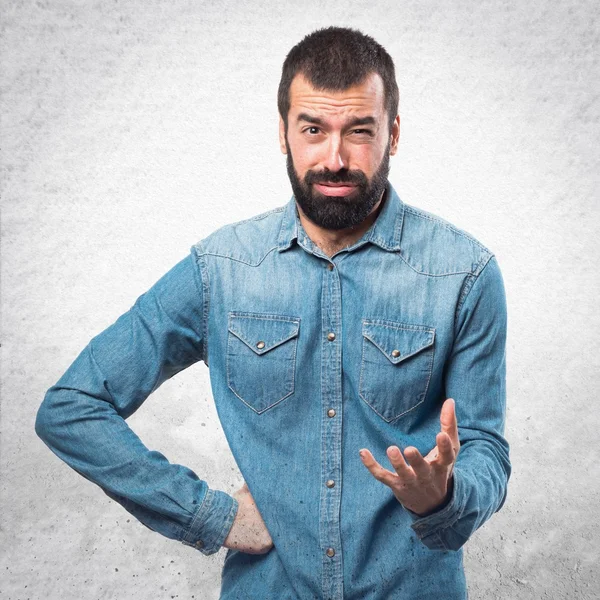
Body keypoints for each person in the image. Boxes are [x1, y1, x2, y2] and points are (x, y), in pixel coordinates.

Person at [35, 26, 510, 600]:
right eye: (314, 130)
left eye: (359, 131)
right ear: (284, 133)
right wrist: (209, 515)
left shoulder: (466, 273)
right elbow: (72, 407)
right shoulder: (222, 269)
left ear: (393, 133)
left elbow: (486, 449)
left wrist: (445, 495)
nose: (335, 159)